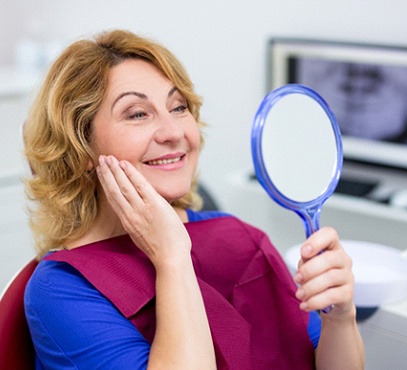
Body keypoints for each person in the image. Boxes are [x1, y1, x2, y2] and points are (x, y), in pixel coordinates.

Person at [23, 29, 365, 369]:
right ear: (80, 147)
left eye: (178, 107)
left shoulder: (241, 239)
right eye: (137, 113)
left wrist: (341, 318)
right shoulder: (61, 289)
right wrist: (172, 257)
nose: (174, 133)